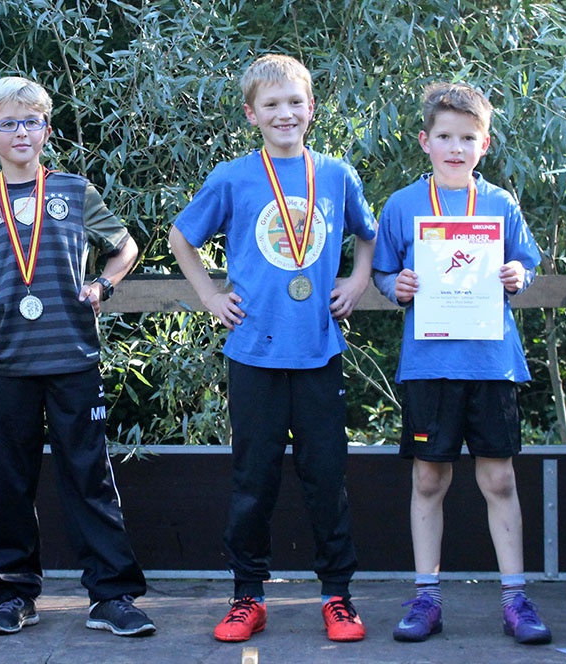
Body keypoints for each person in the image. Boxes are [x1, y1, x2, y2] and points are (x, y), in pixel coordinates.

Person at [0, 76, 155, 638]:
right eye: (7, 123)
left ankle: (111, 596)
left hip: (73, 357)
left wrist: (103, 285)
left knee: (89, 476)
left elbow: (125, 246)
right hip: (7, 362)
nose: (21, 132)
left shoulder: (76, 191)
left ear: (47, 131)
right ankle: (12, 594)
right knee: (9, 481)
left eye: (31, 121)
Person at [169, 54, 377, 644]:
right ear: (251, 114)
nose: (285, 113)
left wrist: (358, 280)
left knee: (326, 478)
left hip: (318, 351)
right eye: (271, 105)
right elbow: (181, 237)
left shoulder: (335, 174)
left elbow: (368, 235)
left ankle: (337, 597)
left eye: (294, 102)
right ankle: (247, 597)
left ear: (311, 108)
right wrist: (210, 295)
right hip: (253, 354)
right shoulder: (233, 177)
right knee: (252, 480)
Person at [372, 81, 551, 645]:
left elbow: (525, 265)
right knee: (429, 478)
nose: (456, 148)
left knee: (499, 478)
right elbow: (382, 272)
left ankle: (515, 600)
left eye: (468, 138)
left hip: (491, 363)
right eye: (445, 137)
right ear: (425, 141)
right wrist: (395, 285)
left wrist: (519, 276)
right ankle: (426, 598)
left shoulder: (500, 203)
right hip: (429, 365)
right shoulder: (402, 205)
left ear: (484, 144)